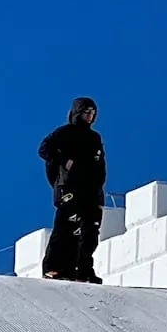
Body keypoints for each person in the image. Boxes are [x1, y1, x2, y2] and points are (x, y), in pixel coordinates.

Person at [38, 97, 107, 283]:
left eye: (93, 112)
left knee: (90, 232)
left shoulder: (95, 138)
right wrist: (64, 162)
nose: (90, 116)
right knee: (65, 227)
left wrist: (99, 187)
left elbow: (100, 166)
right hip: (69, 188)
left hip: (92, 193)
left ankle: (83, 270)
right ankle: (53, 268)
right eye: (86, 111)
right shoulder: (64, 133)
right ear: (77, 112)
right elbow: (44, 149)